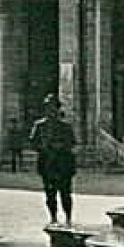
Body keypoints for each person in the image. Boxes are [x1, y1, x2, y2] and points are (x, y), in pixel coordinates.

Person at [30, 95, 77, 225]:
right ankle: (53, 217)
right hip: (47, 163)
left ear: (58, 109)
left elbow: (72, 142)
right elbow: (33, 143)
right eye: (48, 108)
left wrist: (61, 146)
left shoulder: (66, 126)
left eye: (53, 108)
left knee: (65, 193)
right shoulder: (39, 126)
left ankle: (68, 217)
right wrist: (43, 148)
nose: (51, 111)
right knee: (50, 194)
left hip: (63, 163)